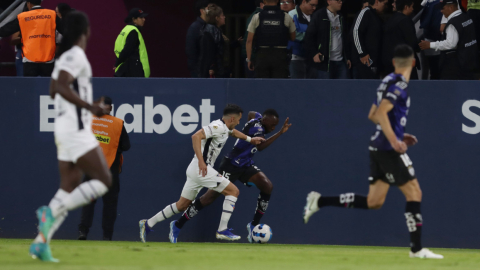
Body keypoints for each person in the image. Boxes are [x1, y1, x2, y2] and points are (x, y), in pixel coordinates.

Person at [303, 45, 444, 259]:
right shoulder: (399, 83)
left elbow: (373, 115)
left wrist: (397, 133)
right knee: (415, 193)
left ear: (394, 62)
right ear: (414, 62)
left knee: (374, 201)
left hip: (377, 145)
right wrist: (394, 139)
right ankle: (417, 250)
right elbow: (381, 112)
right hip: (387, 148)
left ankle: (319, 201)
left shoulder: (386, 81)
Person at [28, 11, 112, 262]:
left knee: (68, 187)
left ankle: (40, 244)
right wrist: (89, 108)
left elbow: (57, 90)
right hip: (75, 130)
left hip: (66, 128)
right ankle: (51, 214)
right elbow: (58, 87)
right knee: (104, 179)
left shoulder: (66, 57)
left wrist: (89, 104)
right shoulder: (75, 55)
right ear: (85, 31)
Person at [139, 104, 265, 243]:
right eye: (238, 120)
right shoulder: (217, 126)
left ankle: (147, 224)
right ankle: (222, 229)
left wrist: (250, 139)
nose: (239, 123)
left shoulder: (224, 128)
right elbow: (196, 136)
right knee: (233, 191)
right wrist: (201, 161)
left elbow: (233, 132)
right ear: (232, 118)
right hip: (202, 169)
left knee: (182, 205)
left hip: (197, 169)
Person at [167, 110, 292, 243]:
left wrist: (257, 121)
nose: (273, 128)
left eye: (275, 126)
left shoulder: (257, 118)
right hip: (231, 165)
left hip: (245, 164)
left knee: (267, 186)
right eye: (272, 125)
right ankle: (178, 224)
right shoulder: (257, 128)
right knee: (207, 199)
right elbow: (260, 147)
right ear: (265, 121)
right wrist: (279, 133)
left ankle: (253, 225)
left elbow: (251, 114)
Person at [78, 96, 131, 241]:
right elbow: (126, 146)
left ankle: (83, 231)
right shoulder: (117, 124)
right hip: (110, 170)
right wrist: (114, 148)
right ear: (111, 108)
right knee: (110, 204)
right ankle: (107, 236)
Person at [0, 0, 63, 77]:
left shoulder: (23, 17)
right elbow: (65, 30)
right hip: (48, 58)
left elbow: (5, 31)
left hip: (30, 59)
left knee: (30, 86)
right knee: (46, 86)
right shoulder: (52, 14)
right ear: (40, 2)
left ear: (29, 4)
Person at [419, 0, 478, 80]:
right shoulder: (466, 18)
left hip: (458, 68)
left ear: (450, 7)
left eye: (443, 8)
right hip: (470, 62)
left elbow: (450, 44)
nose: (441, 11)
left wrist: (430, 45)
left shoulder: (452, 24)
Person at [246, 0, 297, 78]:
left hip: (261, 55)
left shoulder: (257, 16)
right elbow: (293, 37)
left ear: (264, 1)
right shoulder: (286, 16)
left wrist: (249, 59)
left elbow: (249, 40)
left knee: (262, 85)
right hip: (280, 55)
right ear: (277, 1)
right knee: (279, 85)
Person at [305, 0, 351, 79]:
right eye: (338, 0)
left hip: (340, 60)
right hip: (325, 62)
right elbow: (309, 37)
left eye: (341, 1)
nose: (340, 2)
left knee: (343, 88)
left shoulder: (341, 17)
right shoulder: (319, 15)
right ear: (329, 1)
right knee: (325, 88)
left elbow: (346, 39)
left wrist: (348, 57)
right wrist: (314, 53)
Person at [382, 0, 420, 79]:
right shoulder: (405, 20)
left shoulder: (390, 20)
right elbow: (412, 42)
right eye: (412, 6)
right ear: (406, 7)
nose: (413, 9)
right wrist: (419, 47)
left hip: (389, 63)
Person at [350, 0, 387, 79]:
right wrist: (362, 53)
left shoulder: (376, 17)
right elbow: (356, 32)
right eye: (384, 3)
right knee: (363, 88)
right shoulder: (365, 12)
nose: (386, 6)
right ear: (376, 2)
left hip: (374, 61)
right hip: (364, 61)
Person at [114, 8, 150, 78]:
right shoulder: (133, 31)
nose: (144, 19)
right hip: (133, 70)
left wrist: (118, 63)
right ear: (134, 19)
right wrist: (117, 63)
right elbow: (127, 50)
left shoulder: (125, 30)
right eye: (141, 17)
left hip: (125, 67)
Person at [288, 0, 318, 79]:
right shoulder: (292, 15)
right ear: (304, 2)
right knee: (297, 86)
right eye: (312, 5)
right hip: (296, 56)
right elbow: (294, 35)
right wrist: (312, 35)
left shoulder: (316, 16)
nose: (314, 8)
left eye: (315, 6)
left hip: (312, 58)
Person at [197, 4, 225, 78]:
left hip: (215, 69)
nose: (224, 17)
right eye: (222, 15)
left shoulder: (215, 30)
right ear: (217, 18)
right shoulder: (209, 32)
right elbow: (209, 53)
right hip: (212, 71)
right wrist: (212, 67)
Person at [186, 0, 211, 78]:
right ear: (202, 11)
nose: (211, 11)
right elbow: (190, 50)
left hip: (207, 69)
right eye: (209, 8)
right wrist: (197, 69)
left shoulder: (209, 27)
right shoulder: (195, 28)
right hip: (199, 71)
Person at [419, 0, 443, 79]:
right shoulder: (437, 5)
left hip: (429, 39)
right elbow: (437, 27)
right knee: (435, 71)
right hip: (434, 41)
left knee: (430, 70)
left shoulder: (429, 4)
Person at [242, 0, 264, 78]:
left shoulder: (254, 15)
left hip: (252, 55)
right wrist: (250, 58)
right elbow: (249, 40)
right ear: (262, 4)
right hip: (254, 56)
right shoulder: (257, 16)